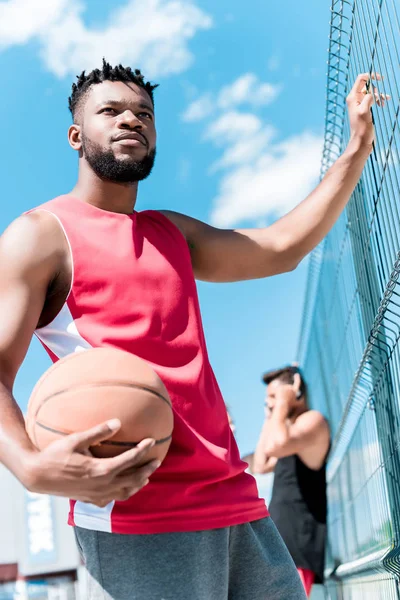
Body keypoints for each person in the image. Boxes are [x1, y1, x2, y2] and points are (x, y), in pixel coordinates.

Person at [0, 60, 386, 599]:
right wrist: (31, 468)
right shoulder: (40, 235)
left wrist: (356, 149)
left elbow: (282, 247)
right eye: (109, 111)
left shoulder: (171, 232)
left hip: (237, 501)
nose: (129, 120)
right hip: (138, 510)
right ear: (75, 135)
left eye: (143, 113)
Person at [251, 366, 330, 597]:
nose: (271, 404)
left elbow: (276, 446)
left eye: (274, 396)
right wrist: (271, 416)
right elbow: (261, 464)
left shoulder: (313, 422)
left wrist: (283, 405)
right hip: (281, 542)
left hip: (299, 544)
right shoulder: (287, 431)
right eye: (268, 400)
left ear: (295, 391)